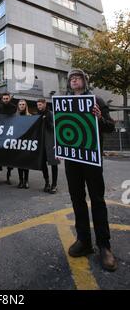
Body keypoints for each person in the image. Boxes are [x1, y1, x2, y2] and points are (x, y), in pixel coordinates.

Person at [64, 68, 117, 272]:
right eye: (72, 79)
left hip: (91, 159)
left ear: (84, 82)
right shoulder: (64, 103)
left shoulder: (97, 101)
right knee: (77, 199)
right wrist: (60, 145)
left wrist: (98, 117)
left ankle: (104, 246)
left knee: (97, 199)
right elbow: (62, 128)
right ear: (69, 83)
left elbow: (110, 127)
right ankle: (84, 241)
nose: (75, 81)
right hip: (72, 160)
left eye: (78, 78)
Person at [0, 93, 17, 187]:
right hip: (1, 134)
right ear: (2, 99)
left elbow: (10, 116)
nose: (5, 100)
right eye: (4, 98)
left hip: (9, 134)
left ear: (9, 99)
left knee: (9, 156)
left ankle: (8, 176)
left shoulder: (13, 107)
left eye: (7, 98)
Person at [36, 98, 59, 194]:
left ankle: (54, 184)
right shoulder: (37, 115)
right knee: (42, 163)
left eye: (40, 104)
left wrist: (46, 121)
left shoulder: (50, 114)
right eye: (38, 105)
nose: (39, 106)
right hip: (41, 143)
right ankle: (47, 182)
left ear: (45, 104)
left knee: (53, 163)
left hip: (50, 142)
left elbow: (55, 127)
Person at [16, 99, 31, 189]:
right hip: (17, 142)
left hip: (27, 143)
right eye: (20, 104)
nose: (22, 106)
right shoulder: (15, 116)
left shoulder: (30, 116)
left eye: (23, 104)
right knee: (19, 162)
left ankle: (26, 180)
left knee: (26, 162)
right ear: (18, 106)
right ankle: (21, 180)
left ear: (26, 106)